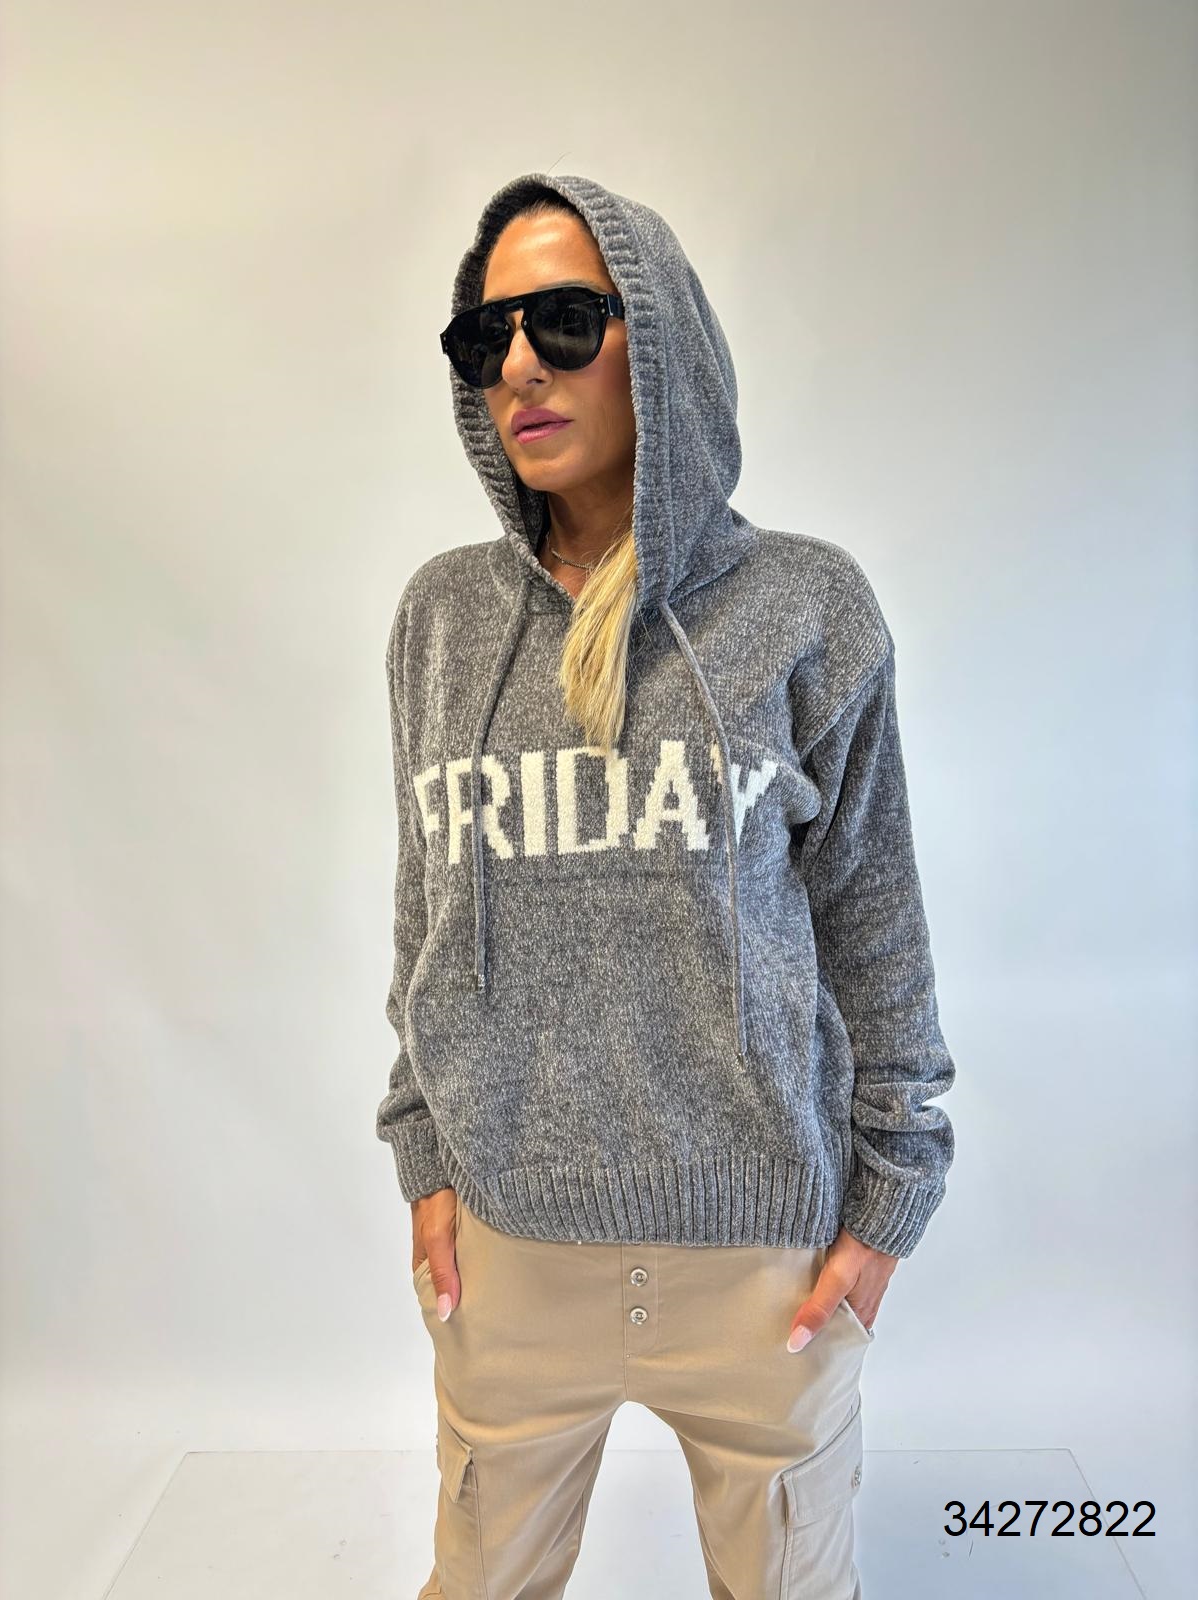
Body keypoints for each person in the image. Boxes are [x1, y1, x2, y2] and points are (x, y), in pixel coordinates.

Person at [377, 171, 956, 1599]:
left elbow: (874, 922)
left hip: (764, 1272)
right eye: (488, 336)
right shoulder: (444, 619)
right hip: (509, 1254)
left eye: (566, 321)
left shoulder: (806, 607)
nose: (521, 364)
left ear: (664, 341)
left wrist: (890, 1203)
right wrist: (423, 1159)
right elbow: (424, 917)